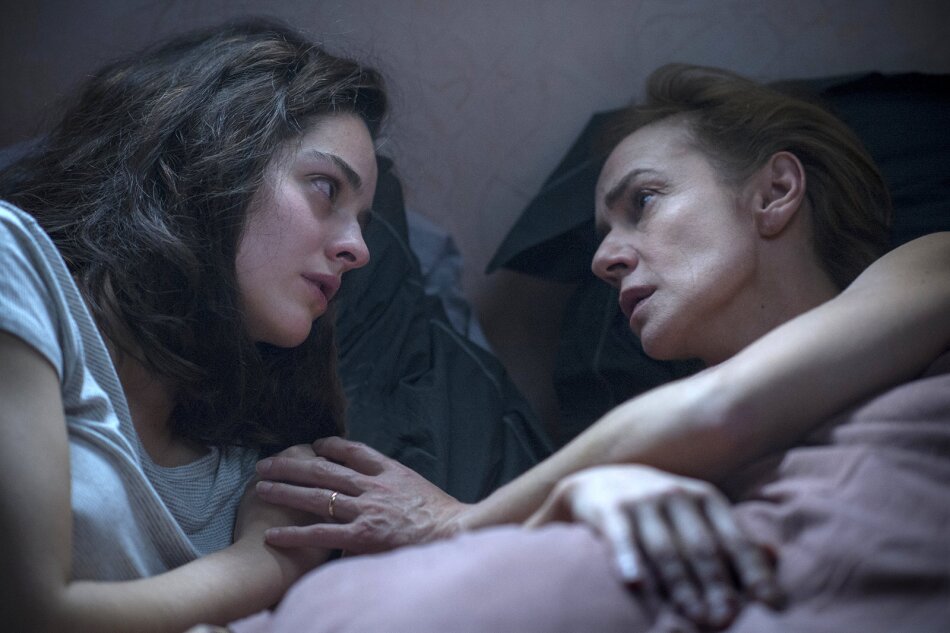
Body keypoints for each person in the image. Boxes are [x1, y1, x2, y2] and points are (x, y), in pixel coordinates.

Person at [239, 64, 950, 632]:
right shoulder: (648, 466)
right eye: (604, 232)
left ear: (775, 191)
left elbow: (724, 411)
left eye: (643, 202)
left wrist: (454, 522)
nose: (605, 259)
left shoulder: (932, 263)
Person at [0, 19, 386, 632]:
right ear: (213, 157)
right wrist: (265, 564)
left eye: (361, 221)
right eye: (325, 187)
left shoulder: (255, 480)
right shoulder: (15, 266)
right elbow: (36, 614)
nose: (357, 250)